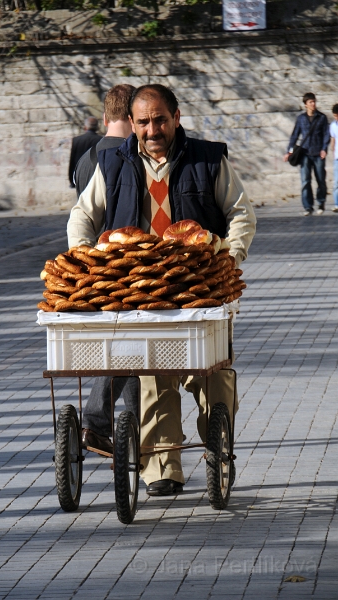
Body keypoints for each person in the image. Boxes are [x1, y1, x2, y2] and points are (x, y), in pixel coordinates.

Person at [67, 84, 256, 496]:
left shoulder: (208, 160)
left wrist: (231, 256)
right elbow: (83, 214)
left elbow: (240, 211)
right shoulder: (112, 163)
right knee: (155, 381)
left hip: (201, 291)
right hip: (142, 298)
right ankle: (162, 469)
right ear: (131, 124)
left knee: (215, 378)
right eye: (143, 122)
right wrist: (86, 259)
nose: (152, 129)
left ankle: (217, 450)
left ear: (176, 117)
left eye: (160, 120)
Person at [75, 84, 139, 454]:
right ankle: (99, 420)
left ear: (104, 117)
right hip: (126, 267)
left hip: (94, 269)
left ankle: (130, 426)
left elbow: (81, 215)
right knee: (128, 347)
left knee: (124, 348)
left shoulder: (87, 159)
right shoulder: (130, 157)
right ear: (134, 118)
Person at [284, 93, 330, 216]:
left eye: (314, 101)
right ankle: (308, 207)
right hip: (304, 153)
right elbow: (294, 136)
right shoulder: (301, 119)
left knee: (321, 180)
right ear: (305, 105)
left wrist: (324, 149)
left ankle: (321, 203)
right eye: (310, 102)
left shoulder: (322, 118)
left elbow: (326, 134)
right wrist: (289, 151)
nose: (313, 104)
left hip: (318, 153)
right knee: (305, 181)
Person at [68, 117, 102, 187]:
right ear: (97, 127)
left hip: (80, 177)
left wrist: (72, 180)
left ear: (85, 127)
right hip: (95, 177)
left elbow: (72, 161)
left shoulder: (77, 140)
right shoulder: (101, 140)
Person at [330, 103, 338, 213]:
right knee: (336, 183)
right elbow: (333, 138)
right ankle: (337, 204)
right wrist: (332, 149)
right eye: (335, 115)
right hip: (337, 158)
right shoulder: (332, 125)